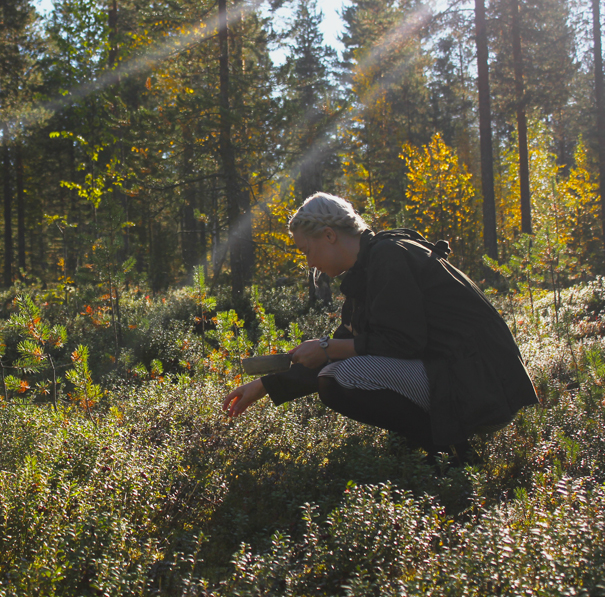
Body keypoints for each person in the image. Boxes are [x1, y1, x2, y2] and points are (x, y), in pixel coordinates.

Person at [222, 192, 538, 461]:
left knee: (337, 379)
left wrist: (327, 348)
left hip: (484, 385)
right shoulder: (370, 268)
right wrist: (265, 385)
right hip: (468, 375)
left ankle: (449, 454)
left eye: (307, 250)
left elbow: (404, 343)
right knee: (337, 368)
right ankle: (435, 444)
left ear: (329, 235)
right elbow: (346, 348)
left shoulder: (389, 258)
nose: (310, 263)